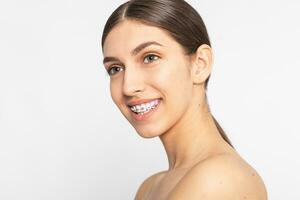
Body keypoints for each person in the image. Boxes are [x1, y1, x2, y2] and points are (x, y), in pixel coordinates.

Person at [101, 0, 268, 199]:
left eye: (150, 57)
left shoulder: (219, 179)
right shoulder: (149, 188)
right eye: (116, 69)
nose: (128, 86)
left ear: (200, 64)